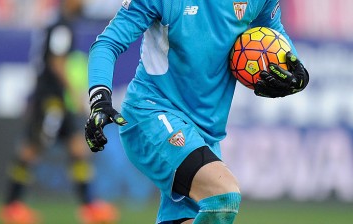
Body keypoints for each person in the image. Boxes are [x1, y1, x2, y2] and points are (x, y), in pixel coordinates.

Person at [84, 0, 309, 223]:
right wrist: (99, 99)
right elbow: (108, 43)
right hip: (151, 113)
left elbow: (274, 31)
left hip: (205, 133)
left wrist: (296, 71)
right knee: (223, 195)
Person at [0, 0, 119, 223]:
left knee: (77, 148)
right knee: (32, 148)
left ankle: (90, 206)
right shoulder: (61, 25)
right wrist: (74, 93)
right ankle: (12, 205)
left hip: (55, 99)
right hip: (50, 99)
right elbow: (56, 62)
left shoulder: (58, 23)